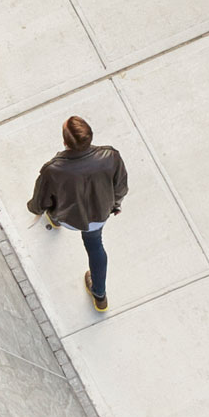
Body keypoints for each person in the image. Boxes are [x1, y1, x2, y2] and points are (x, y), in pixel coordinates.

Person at [29, 117, 128, 312]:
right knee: (95, 247)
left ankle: (55, 221)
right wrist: (115, 205)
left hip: (69, 218)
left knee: (54, 211)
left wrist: (36, 209)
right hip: (99, 216)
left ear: (65, 142)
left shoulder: (53, 169)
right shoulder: (110, 156)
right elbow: (121, 186)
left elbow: (41, 200)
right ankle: (100, 295)